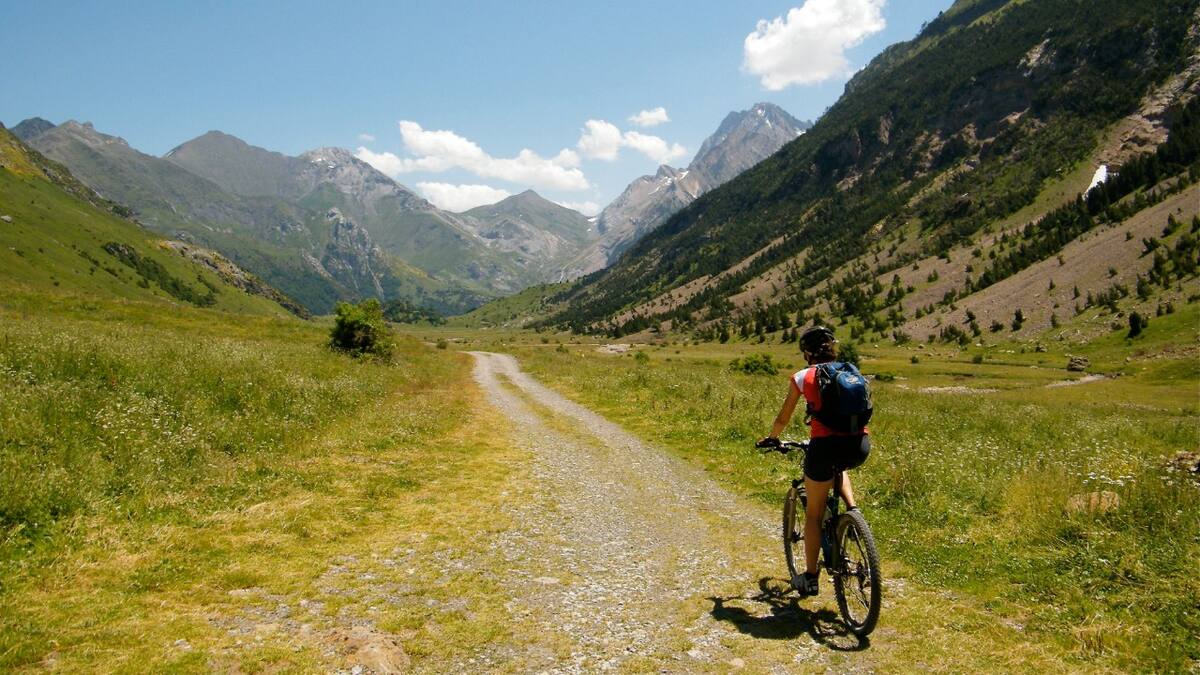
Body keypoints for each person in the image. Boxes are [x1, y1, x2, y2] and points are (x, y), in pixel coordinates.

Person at [759, 325, 870, 597]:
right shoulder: (850, 370)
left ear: (807, 353)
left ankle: (809, 577)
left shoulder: (802, 376)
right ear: (832, 348)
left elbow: (783, 417)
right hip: (859, 446)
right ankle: (853, 511)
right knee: (841, 466)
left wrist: (772, 438)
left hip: (823, 448)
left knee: (813, 514)